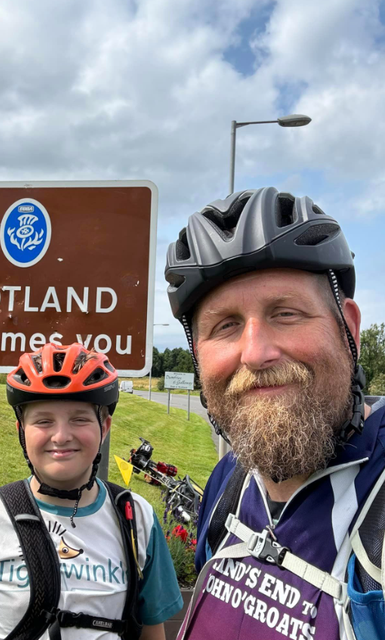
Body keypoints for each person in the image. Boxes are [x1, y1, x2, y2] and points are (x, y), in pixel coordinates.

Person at [164, 187, 385, 640]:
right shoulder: (228, 480)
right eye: (225, 325)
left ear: (350, 329)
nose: (255, 353)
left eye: (286, 313)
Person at [0, 342, 183, 640]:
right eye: (44, 421)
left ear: (105, 427)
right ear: (21, 430)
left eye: (80, 419)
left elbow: (152, 633)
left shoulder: (136, 518)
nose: (61, 436)